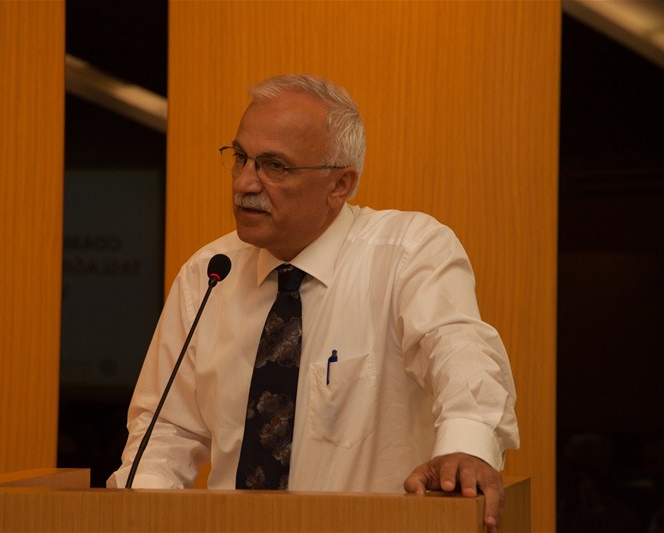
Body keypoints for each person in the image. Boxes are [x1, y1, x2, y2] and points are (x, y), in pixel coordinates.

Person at [108, 74, 519, 533]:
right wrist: (137, 513)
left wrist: (466, 446)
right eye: (240, 157)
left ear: (340, 184)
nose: (244, 182)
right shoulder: (208, 273)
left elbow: (458, 351)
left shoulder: (407, 252)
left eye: (274, 166)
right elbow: (167, 432)